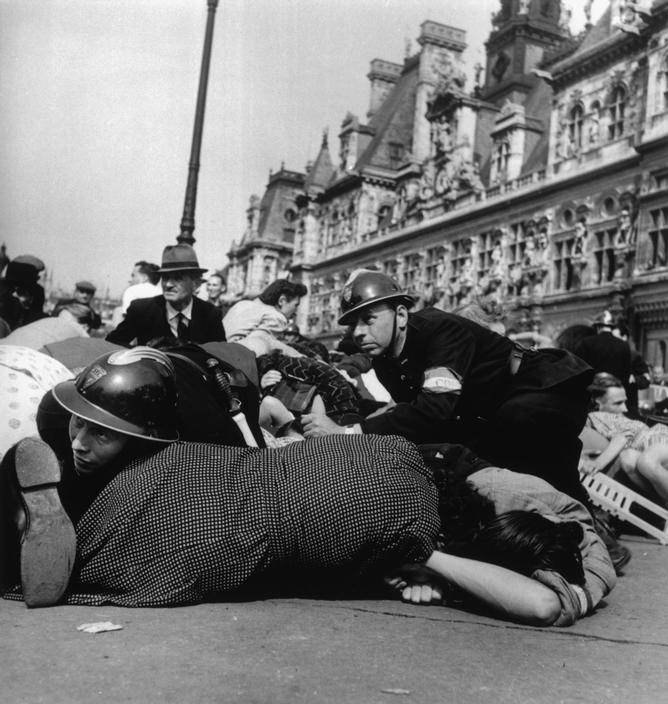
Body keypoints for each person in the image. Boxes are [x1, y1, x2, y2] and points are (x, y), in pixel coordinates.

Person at [0, 348, 612, 626]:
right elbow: (544, 603)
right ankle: (75, 552)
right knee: (206, 534)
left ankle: (67, 536)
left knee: (172, 490)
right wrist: (432, 562)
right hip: (425, 476)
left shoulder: (424, 534)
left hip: (303, 474)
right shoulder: (526, 501)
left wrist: (423, 569)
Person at [303, 271, 594, 506]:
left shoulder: (440, 330)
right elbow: (417, 418)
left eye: (368, 320)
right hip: (496, 404)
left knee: (514, 425)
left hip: (546, 386)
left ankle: (587, 522)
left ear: (401, 315)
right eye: (353, 325)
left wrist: (347, 432)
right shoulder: (385, 359)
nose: (359, 333)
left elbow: (433, 411)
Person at [106, 244, 226, 346]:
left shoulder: (210, 314)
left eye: (177, 278)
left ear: (195, 284)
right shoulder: (142, 310)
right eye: (165, 278)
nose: (168, 284)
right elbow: (111, 345)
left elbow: (222, 357)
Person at [580, 372, 668, 507]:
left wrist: (597, 463)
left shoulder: (599, 417)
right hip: (646, 447)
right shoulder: (595, 417)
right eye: (617, 403)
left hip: (660, 438)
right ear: (597, 402)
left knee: (647, 462)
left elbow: (622, 438)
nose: (625, 408)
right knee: (628, 459)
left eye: (624, 402)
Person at [222, 279, 307, 357]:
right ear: (282, 301)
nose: (296, 311)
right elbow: (263, 342)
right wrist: (298, 355)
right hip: (234, 357)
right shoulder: (276, 316)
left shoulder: (242, 304)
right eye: (295, 305)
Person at [576, 310, 632, 403]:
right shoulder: (624, 345)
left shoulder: (586, 342)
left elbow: (579, 370)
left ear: (598, 327)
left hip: (593, 395)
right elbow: (626, 374)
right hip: (615, 396)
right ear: (612, 327)